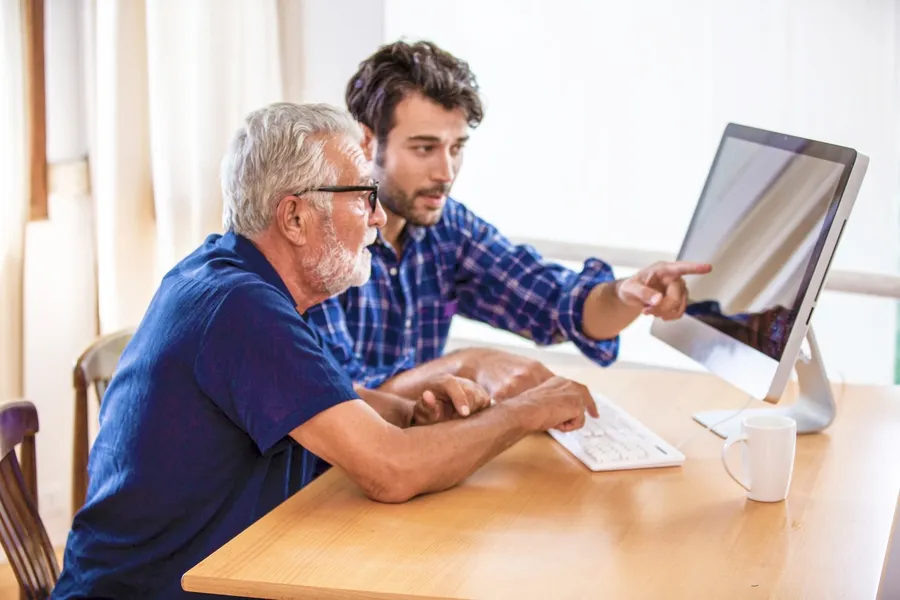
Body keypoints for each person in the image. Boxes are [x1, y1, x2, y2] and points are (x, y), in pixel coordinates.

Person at [51, 102, 598, 600]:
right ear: (293, 217)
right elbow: (391, 472)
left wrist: (408, 411)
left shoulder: (231, 276)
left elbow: (315, 400)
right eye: (363, 197)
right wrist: (528, 411)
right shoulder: (241, 308)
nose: (380, 217)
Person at [305, 40, 711, 403]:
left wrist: (626, 293)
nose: (446, 171)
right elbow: (342, 399)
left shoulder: (446, 229)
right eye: (425, 148)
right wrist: (467, 365)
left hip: (414, 460)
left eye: (456, 147)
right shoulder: (319, 241)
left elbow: (556, 304)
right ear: (366, 141)